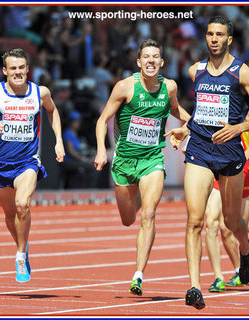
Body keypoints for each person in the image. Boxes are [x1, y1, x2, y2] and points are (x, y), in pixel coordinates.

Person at [165, 16, 249, 309]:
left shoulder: (243, 73)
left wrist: (237, 129)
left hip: (230, 153)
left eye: (219, 34)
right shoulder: (195, 70)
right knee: (195, 220)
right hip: (199, 149)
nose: (213, 38)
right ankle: (195, 287)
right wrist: (185, 129)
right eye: (210, 34)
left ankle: (245, 250)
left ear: (229, 40)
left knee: (232, 221)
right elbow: (200, 111)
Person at [93, 39, 191, 297]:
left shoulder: (169, 86)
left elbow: (175, 109)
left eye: (155, 57)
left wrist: (192, 123)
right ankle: (135, 198)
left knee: (148, 214)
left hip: (152, 160)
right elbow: (103, 120)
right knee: (128, 220)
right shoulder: (125, 87)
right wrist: (102, 150)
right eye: (146, 57)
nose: (150, 61)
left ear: (161, 62)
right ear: (139, 62)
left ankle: (138, 275)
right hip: (124, 162)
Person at [0, 48, 65, 282]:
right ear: (5, 71)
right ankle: (24, 244)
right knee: (10, 215)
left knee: (22, 205)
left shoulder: (39, 92)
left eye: (21, 67)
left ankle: (20, 256)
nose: (18, 72)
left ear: (27, 69)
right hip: (1, 165)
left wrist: (58, 142)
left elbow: (53, 112)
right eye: (13, 68)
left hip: (28, 162)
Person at [204, 107, 249, 292]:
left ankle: (245, 252)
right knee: (212, 223)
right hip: (213, 165)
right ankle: (218, 276)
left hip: (240, 168)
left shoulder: (246, 104)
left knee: (240, 225)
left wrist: (243, 158)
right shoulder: (210, 96)